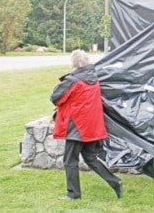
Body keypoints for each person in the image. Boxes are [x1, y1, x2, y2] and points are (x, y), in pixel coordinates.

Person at [50, 50, 123, 200]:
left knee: (70, 161)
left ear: (72, 64)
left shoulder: (73, 80)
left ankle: (73, 194)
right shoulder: (94, 78)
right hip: (90, 126)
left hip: (76, 127)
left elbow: (55, 98)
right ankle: (115, 182)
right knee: (90, 158)